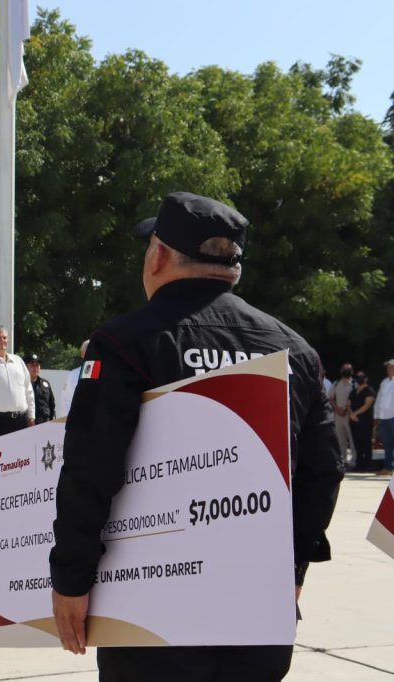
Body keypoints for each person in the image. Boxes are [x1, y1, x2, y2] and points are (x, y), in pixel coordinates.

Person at [50, 191, 344, 680]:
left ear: (158, 256)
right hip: (257, 607)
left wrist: (70, 579)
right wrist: (292, 571)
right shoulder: (296, 351)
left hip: (151, 612)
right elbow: (323, 473)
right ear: (233, 268)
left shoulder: (122, 343)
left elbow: (91, 466)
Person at [329, 364, 356, 468]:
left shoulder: (354, 384)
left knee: (352, 439)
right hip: (338, 415)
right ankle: (343, 461)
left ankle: (354, 462)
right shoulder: (336, 383)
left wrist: (347, 410)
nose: (346, 370)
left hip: (350, 415)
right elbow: (331, 398)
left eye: (348, 369)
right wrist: (337, 409)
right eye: (344, 369)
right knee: (340, 439)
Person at [349, 371, 376, 472]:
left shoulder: (369, 390)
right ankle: (359, 465)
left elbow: (367, 405)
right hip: (354, 421)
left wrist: (354, 414)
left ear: (366, 379)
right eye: (358, 377)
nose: (359, 379)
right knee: (357, 444)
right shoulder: (354, 391)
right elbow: (348, 403)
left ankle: (368, 465)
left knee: (366, 444)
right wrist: (351, 414)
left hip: (365, 421)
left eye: (361, 377)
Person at [373, 359, 394, 477]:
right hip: (384, 417)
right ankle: (388, 468)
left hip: (393, 416)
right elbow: (379, 399)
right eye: (387, 367)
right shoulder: (384, 382)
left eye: (390, 367)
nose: (388, 369)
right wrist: (376, 416)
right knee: (387, 444)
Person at [58, 340, 89, 419]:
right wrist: (66, 420)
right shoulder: (73, 374)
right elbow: (66, 400)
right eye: (88, 351)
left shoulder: (104, 373)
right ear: (82, 354)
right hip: (77, 420)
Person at [24, 353, 55, 424]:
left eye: (37, 365)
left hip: (46, 423)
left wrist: (52, 419)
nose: (36, 368)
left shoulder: (45, 383)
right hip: (30, 424)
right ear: (25, 367)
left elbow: (51, 404)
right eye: (32, 365)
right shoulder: (22, 384)